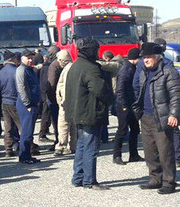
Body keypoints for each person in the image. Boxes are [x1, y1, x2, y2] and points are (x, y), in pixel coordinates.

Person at [133, 42, 180, 194]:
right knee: (150, 151)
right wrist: (138, 111)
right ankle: (155, 179)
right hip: (146, 117)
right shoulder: (143, 72)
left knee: (165, 152)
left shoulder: (169, 72)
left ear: (157, 57)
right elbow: (138, 90)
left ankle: (169, 182)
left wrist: (173, 114)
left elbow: (176, 95)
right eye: (143, 57)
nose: (145, 60)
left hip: (162, 117)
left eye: (148, 57)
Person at [65, 38, 113, 190]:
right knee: (91, 148)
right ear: (90, 51)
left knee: (81, 146)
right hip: (89, 113)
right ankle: (89, 181)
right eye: (96, 49)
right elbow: (100, 90)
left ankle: (78, 178)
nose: (98, 52)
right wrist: (111, 99)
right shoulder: (90, 68)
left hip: (77, 113)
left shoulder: (75, 65)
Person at [112, 48, 144, 165]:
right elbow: (120, 89)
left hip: (130, 104)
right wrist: (124, 105)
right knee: (122, 130)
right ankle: (117, 155)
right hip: (124, 105)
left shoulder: (131, 68)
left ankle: (134, 154)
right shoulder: (126, 69)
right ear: (135, 58)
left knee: (135, 129)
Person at [0, 51, 21, 157]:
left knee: (8, 126)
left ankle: (8, 149)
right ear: (12, 59)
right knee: (22, 126)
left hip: (5, 102)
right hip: (16, 101)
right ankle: (26, 147)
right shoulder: (17, 71)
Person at [16, 49, 41, 164]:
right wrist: (27, 104)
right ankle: (24, 156)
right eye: (28, 58)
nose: (30, 60)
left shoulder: (29, 69)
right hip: (26, 105)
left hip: (33, 103)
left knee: (29, 131)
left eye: (31, 57)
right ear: (22, 58)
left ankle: (27, 154)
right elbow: (21, 88)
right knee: (26, 131)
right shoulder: (21, 70)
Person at [54, 50, 76, 155]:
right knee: (73, 125)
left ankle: (61, 146)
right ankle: (72, 146)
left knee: (63, 125)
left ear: (62, 60)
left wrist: (63, 101)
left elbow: (66, 86)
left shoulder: (67, 70)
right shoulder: (72, 67)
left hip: (66, 103)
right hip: (71, 102)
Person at [39, 46, 60, 145]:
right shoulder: (53, 66)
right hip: (50, 94)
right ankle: (43, 133)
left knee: (47, 114)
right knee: (48, 114)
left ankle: (44, 132)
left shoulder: (45, 66)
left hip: (46, 93)